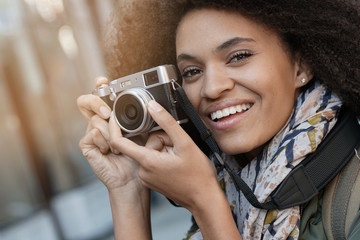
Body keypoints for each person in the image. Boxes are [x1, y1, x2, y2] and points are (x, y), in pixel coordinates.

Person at [77, 0, 360, 239]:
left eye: (238, 56)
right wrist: (128, 187)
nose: (212, 88)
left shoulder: (352, 197)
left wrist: (206, 203)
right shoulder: (231, 185)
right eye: (191, 72)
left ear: (302, 64)